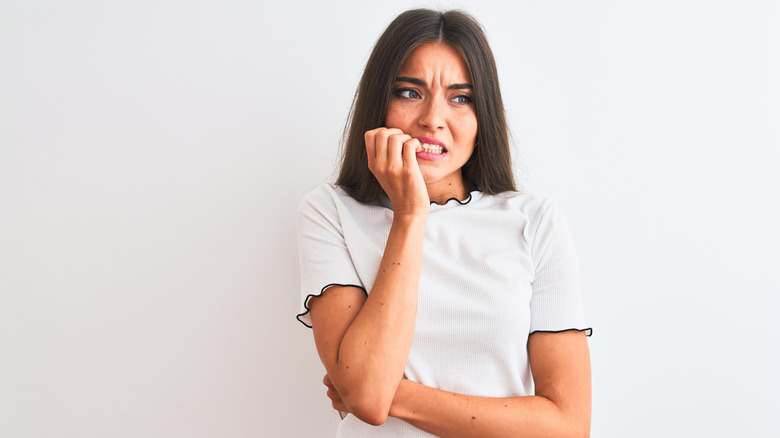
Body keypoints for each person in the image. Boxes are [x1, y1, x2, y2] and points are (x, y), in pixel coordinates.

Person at [296, 8, 592, 437]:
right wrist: (411, 216)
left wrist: (387, 393)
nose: (433, 118)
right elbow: (365, 397)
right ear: (378, 102)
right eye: (410, 92)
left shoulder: (534, 221)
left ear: (482, 116)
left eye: (460, 97)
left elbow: (567, 426)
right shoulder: (330, 212)